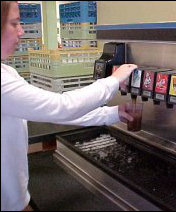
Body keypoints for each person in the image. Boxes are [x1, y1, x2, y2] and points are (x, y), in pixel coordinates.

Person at [1, 1, 137, 211]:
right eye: (14, 23)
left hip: (16, 200)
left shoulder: (7, 72)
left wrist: (113, 114)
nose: (21, 31)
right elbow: (62, 107)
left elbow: (54, 112)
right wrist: (113, 80)